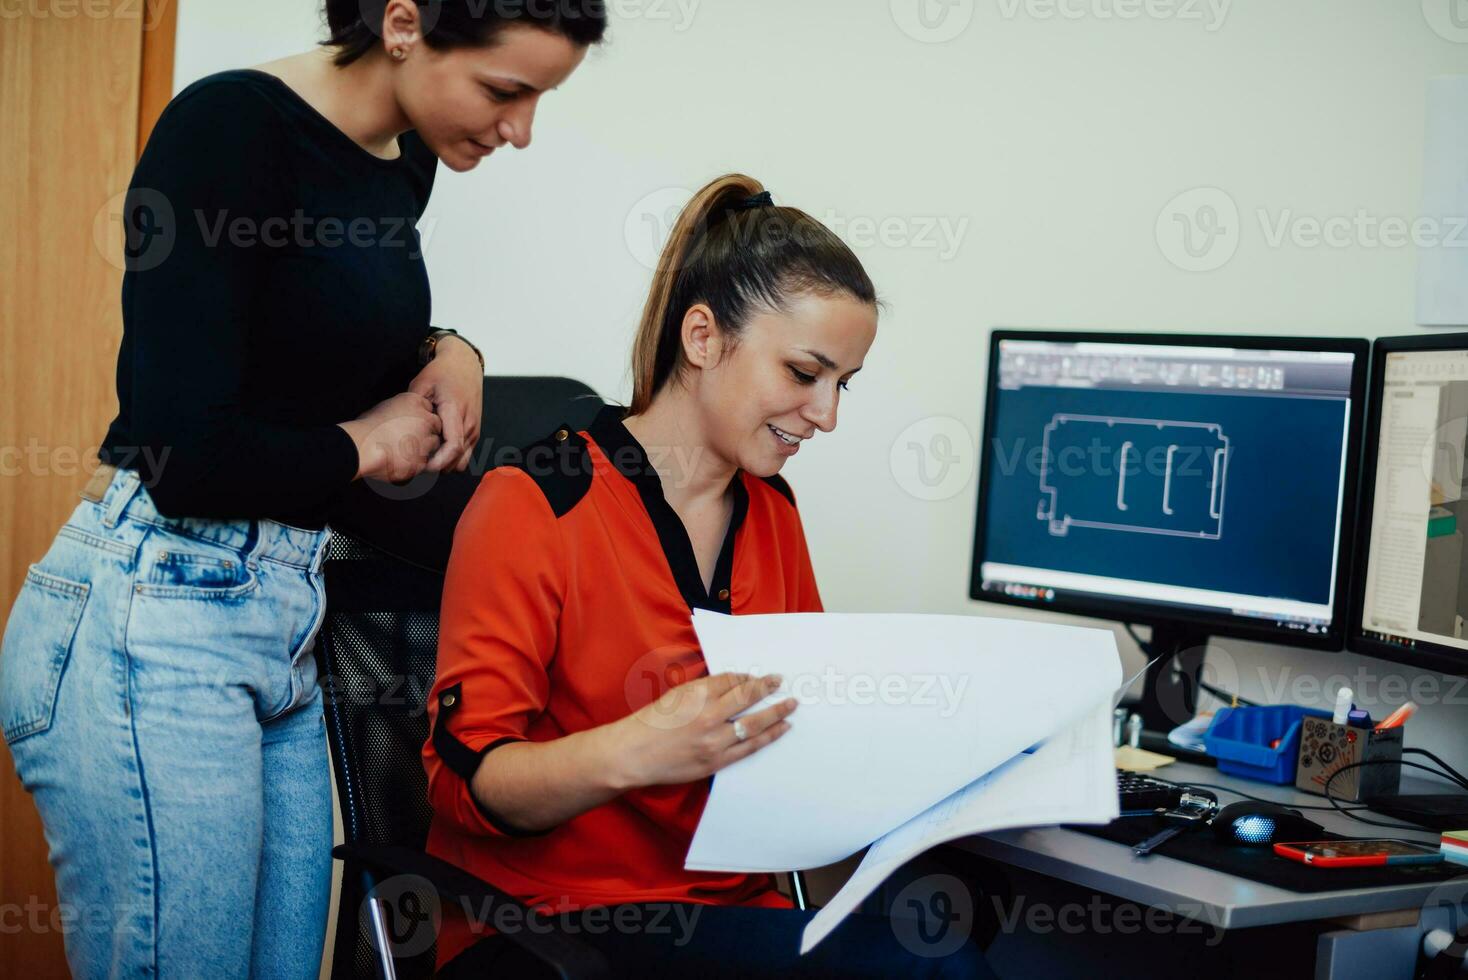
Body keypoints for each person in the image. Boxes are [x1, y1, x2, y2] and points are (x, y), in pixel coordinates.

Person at [0, 2, 604, 975]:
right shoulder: (230, 127)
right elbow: (178, 450)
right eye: (505, 90)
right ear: (403, 24)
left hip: (283, 609)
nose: (519, 130)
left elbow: (309, 341)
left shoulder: (400, 159)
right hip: (157, 608)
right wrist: (365, 444)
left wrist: (449, 346)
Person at [423, 174, 995, 977]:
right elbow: (464, 785)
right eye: (804, 373)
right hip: (546, 933)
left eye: (843, 385)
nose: (827, 415)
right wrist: (638, 748)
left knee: (951, 937)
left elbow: (803, 763)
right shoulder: (533, 502)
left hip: (729, 923)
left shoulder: (774, 514)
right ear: (702, 338)